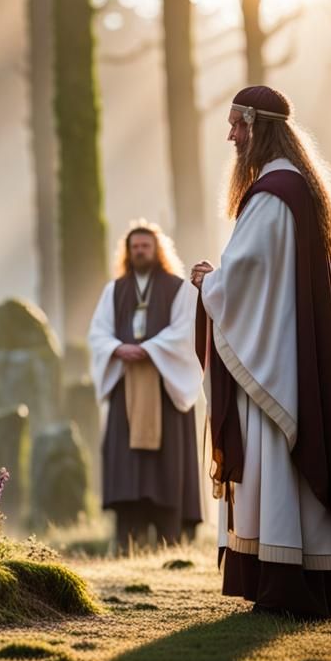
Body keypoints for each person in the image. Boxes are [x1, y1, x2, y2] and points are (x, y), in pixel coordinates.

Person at [191, 85, 331, 618]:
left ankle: (284, 586)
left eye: (237, 126)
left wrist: (208, 282)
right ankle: (310, 583)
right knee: (287, 470)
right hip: (290, 349)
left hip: (273, 360)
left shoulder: (273, 194)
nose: (231, 136)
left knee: (276, 460)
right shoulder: (298, 187)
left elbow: (245, 276)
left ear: (258, 126)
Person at [89, 221, 203, 551]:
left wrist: (150, 348)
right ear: (127, 252)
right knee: (127, 464)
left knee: (167, 464)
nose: (140, 251)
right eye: (135, 247)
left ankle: (170, 539)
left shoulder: (178, 289)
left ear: (157, 250)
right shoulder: (115, 291)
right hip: (126, 386)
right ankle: (128, 538)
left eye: (145, 246)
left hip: (166, 387)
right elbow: (98, 333)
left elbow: (186, 331)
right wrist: (116, 348)